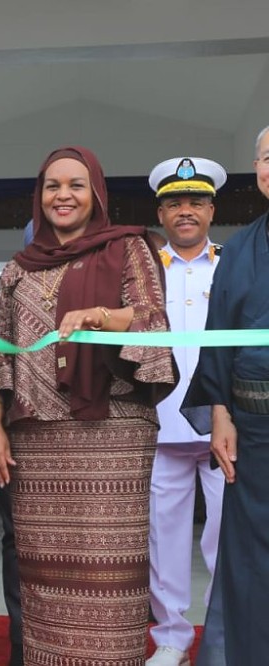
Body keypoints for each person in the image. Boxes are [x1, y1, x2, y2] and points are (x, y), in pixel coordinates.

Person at [0, 145, 176, 666]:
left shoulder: (129, 247)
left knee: (110, 572)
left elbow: (152, 316)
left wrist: (99, 315)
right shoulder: (17, 269)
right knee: (45, 574)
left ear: (96, 193)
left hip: (114, 434)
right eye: (53, 186)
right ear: (39, 196)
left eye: (76, 185)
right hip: (37, 440)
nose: (63, 195)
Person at [181, 125, 269, 666]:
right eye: (268, 157)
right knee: (251, 558)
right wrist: (220, 414)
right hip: (254, 433)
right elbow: (218, 337)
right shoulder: (239, 250)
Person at [145, 157, 226, 666]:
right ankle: (171, 639)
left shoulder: (232, 264)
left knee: (226, 537)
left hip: (223, 423)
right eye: (175, 203)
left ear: (212, 210)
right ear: (162, 213)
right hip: (162, 421)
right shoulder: (145, 270)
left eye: (196, 202)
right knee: (164, 538)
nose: (186, 211)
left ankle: (220, 634)